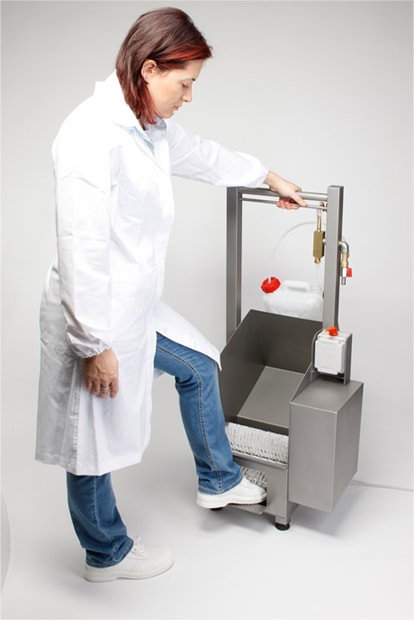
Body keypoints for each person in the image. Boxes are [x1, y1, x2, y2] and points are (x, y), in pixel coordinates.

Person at [36, 7, 306, 583]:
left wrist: (268, 176)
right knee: (91, 439)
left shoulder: (149, 128)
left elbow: (204, 156)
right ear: (150, 68)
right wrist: (93, 346)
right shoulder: (90, 134)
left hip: (132, 307)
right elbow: (80, 246)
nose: (189, 97)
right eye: (185, 83)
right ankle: (106, 554)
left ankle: (218, 480)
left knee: (199, 365)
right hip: (94, 316)